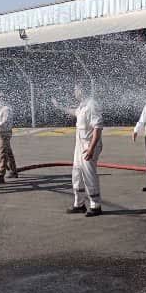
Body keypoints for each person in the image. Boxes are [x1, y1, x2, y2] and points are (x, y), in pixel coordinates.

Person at [52, 83, 104, 217]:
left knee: (89, 175)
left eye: (76, 89)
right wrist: (59, 106)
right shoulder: (82, 106)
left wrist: (91, 149)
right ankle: (79, 204)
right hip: (79, 146)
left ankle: (95, 205)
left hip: (89, 145)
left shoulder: (92, 105)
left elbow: (97, 129)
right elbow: (74, 112)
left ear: (82, 90)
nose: (74, 91)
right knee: (76, 174)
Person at [0, 92, 18, 184]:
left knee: (3, 153)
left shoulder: (6, 109)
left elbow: (5, 121)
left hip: (5, 133)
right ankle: (13, 170)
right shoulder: (0, 108)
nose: (0, 98)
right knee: (8, 152)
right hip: (0, 133)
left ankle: (0, 175)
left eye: (2, 97)